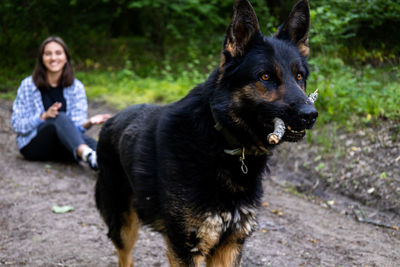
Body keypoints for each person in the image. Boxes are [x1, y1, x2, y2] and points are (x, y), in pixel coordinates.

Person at [11, 36, 111, 170]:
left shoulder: (76, 87)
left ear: (66, 58)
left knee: (93, 144)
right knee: (58, 117)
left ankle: (108, 164)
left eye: (58, 53)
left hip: (65, 146)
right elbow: (18, 125)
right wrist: (44, 117)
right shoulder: (28, 85)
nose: (53, 58)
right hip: (34, 147)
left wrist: (89, 122)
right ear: (41, 58)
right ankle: (88, 155)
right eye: (48, 54)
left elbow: (73, 129)